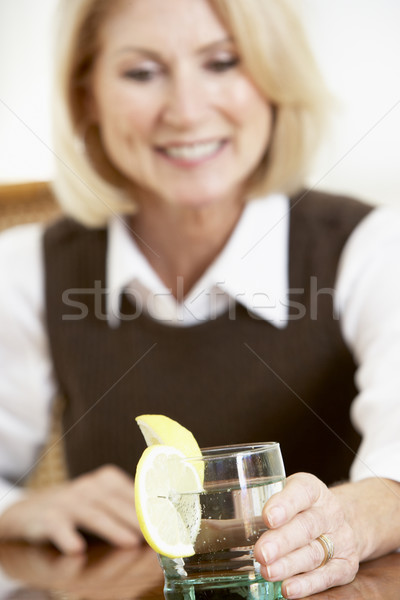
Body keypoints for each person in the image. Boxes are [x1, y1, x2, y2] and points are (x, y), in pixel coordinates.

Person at [0, 0, 399, 598]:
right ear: (88, 97)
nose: (186, 112)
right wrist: (14, 510)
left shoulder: (370, 246)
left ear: (275, 81)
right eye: (141, 72)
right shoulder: (30, 263)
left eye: (222, 62)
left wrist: (357, 517)